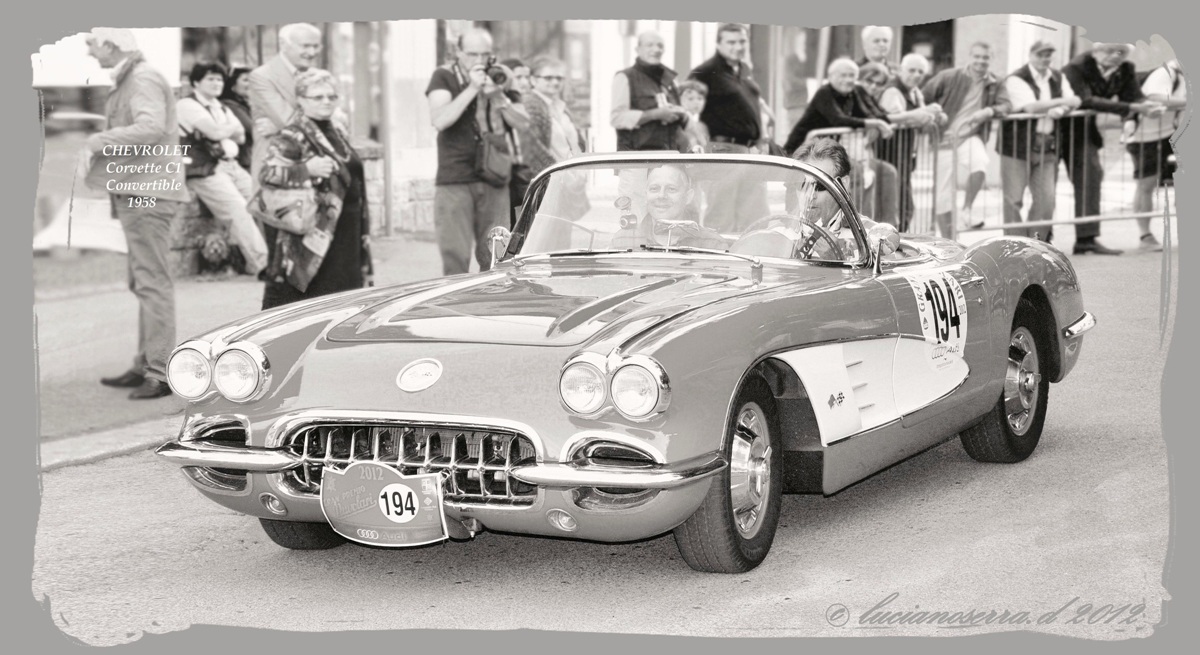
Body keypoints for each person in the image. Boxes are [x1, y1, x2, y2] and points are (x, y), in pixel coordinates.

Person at [83, 28, 188, 400]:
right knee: (144, 280)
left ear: (111, 45)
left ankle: (159, 371)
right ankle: (147, 362)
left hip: (147, 192)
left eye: (91, 44)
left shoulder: (141, 78)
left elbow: (151, 127)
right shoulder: (135, 76)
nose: (89, 51)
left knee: (151, 282)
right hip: (141, 190)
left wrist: (98, 141)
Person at [258, 69, 373, 309]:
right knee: (306, 309)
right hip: (311, 239)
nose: (326, 102)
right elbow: (267, 174)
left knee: (343, 305)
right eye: (318, 97)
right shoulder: (292, 135)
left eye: (332, 97)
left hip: (347, 233)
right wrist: (305, 169)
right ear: (301, 100)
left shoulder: (337, 131)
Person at [426, 27, 528, 275]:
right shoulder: (443, 76)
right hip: (455, 177)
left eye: (485, 55)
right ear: (458, 52)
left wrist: (498, 95)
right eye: (472, 54)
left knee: (495, 254)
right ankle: (454, 308)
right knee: (455, 258)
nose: (480, 61)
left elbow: (523, 122)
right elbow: (440, 120)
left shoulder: (501, 75)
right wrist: (472, 88)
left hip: (495, 175)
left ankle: (491, 307)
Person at [1061, 42, 1165, 255]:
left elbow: (1134, 97)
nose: (1115, 55)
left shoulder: (1125, 69)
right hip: (1055, 128)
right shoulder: (1077, 67)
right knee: (1042, 187)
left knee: (1091, 176)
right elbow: (1085, 100)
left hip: (1084, 131)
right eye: (1109, 50)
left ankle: (1086, 240)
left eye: (1121, 51)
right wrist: (1132, 108)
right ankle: (1037, 240)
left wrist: (1146, 108)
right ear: (1096, 51)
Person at [178, 62, 269, 275]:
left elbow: (241, 135)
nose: (216, 83)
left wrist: (221, 130)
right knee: (238, 210)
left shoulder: (222, 107)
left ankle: (279, 261)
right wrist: (224, 130)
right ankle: (263, 266)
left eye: (219, 79)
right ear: (196, 82)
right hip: (204, 170)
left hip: (232, 165)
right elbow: (216, 133)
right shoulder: (186, 105)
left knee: (265, 204)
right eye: (210, 79)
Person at [783, 59, 897, 224]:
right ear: (831, 77)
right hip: (802, 152)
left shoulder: (852, 94)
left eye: (852, 75)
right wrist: (875, 124)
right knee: (852, 173)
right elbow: (838, 119)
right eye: (843, 75)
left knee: (882, 171)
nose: (848, 79)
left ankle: (878, 228)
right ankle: (852, 224)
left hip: (823, 153)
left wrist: (878, 122)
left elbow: (872, 114)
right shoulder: (824, 93)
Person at [922, 41, 1012, 238]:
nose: (981, 61)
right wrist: (932, 117)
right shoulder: (949, 76)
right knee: (943, 196)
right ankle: (949, 241)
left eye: (985, 57)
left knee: (980, 164)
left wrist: (988, 111)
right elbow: (924, 96)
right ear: (969, 57)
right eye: (977, 56)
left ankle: (967, 210)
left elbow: (1006, 105)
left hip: (970, 136)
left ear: (991, 59)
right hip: (944, 139)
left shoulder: (996, 82)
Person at [688, 23, 773, 231]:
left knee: (755, 218)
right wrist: (696, 140)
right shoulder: (705, 72)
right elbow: (687, 109)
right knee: (721, 218)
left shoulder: (744, 71)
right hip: (722, 152)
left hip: (749, 152)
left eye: (742, 41)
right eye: (731, 42)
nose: (738, 46)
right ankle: (717, 263)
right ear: (718, 44)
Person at [997, 41, 1080, 241]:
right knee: (1013, 200)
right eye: (1041, 55)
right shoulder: (1016, 78)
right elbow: (1031, 108)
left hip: (1048, 146)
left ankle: (1036, 244)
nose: (1045, 59)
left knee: (1046, 201)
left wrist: (1059, 109)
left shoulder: (1058, 77)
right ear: (1031, 55)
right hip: (1017, 146)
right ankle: (1014, 245)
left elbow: (1076, 101)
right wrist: (1062, 102)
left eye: (1048, 55)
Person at [877, 53, 946, 231]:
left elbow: (921, 117)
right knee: (899, 206)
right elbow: (890, 119)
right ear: (901, 70)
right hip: (890, 154)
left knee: (905, 206)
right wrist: (922, 114)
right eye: (911, 70)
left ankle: (898, 240)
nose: (916, 75)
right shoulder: (893, 90)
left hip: (906, 155)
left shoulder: (914, 91)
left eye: (920, 72)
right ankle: (892, 243)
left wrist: (934, 115)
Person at [248, 23, 323, 181]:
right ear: (283, 44)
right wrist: (316, 120)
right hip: (278, 168)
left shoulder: (318, 75)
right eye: (305, 46)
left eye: (316, 46)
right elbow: (288, 120)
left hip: (317, 166)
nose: (312, 52)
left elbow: (336, 119)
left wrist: (278, 127)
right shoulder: (262, 76)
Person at [1124, 58, 1185, 252]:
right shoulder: (1166, 73)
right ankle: (1145, 235)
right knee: (1146, 184)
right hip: (1145, 136)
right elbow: (1154, 98)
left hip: (1173, 133)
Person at [609, 165, 727, 250]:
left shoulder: (712, 245)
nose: (661, 196)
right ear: (646, 195)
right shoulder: (622, 241)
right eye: (654, 188)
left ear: (688, 197)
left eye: (671, 189)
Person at [501, 57, 533, 227]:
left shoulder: (528, 104)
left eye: (527, 77)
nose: (525, 83)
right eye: (518, 77)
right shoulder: (498, 104)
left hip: (524, 175)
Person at [219, 66, 254, 171]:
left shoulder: (246, 104)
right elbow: (254, 129)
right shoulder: (230, 106)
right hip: (242, 162)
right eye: (246, 80)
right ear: (232, 85)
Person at [677, 80, 711, 152]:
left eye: (700, 98)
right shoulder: (679, 125)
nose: (696, 102)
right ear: (680, 100)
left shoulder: (703, 126)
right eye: (690, 99)